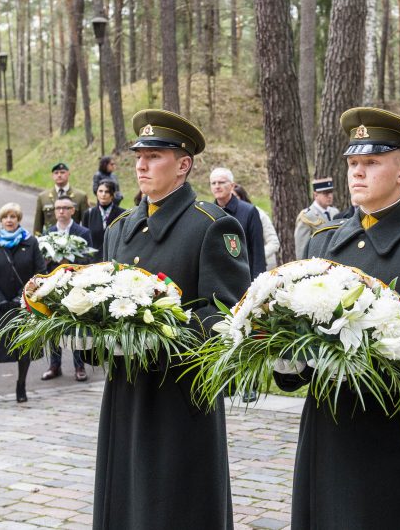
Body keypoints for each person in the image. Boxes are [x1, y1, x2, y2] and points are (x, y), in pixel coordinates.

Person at [274, 107, 400, 529]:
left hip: (391, 432)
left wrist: (372, 355)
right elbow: (300, 326)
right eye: (352, 163)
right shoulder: (324, 241)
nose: (357, 173)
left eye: (371, 163)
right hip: (326, 429)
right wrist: (287, 357)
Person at [94, 109, 251, 529]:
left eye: (155, 156)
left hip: (180, 398)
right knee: (125, 502)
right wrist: (90, 333)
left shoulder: (213, 226)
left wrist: (156, 335)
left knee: (177, 505)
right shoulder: (120, 228)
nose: (142, 164)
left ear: (183, 165)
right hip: (126, 393)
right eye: (139, 156)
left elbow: (227, 315)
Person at [0, 202, 45, 406]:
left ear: (18, 220)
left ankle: (21, 386)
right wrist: (0, 299)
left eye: (13, 217)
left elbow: (39, 272)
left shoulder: (31, 243)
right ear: (1, 220)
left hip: (22, 305)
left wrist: (20, 297)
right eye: (5, 217)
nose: (9, 220)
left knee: (23, 347)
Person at [40, 197, 93, 382]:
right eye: (58, 208)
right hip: (54, 284)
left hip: (76, 284)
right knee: (54, 324)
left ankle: (79, 366)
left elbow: (89, 259)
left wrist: (70, 262)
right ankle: (55, 365)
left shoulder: (83, 232)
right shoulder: (49, 232)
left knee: (76, 324)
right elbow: (42, 260)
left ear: (72, 210)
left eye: (65, 208)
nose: (61, 211)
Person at [210, 167, 265, 278]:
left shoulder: (249, 211)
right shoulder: (208, 212)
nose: (217, 186)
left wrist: (257, 282)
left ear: (232, 186)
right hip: (217, 278)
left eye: (221, 182)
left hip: (244, 277)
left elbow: (257, 251)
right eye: (213, 183)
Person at [33, 162, 89, 234]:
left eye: (62, 172)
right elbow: (38, 223)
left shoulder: (80, 196)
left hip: (74, 240)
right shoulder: (43, 197)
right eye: (56, 173)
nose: (59, 175)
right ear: (52, 175)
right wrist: (37, 240)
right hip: (49, 240)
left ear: (68, 174)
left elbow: (86, 223)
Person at [234, 184, 280, 270]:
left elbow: (274, 242)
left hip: (264, 266)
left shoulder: (259, 214)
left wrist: (254, 257)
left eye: (235, 196)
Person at [294, 178, 339, 259]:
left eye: (331, 192)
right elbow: (301, 248)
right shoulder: (307, 216)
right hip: (316, 263)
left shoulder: (335, 212)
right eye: (325, 193)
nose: (329, 196)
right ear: (315, 195)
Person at [82, 180, 126, 262]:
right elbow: (84, 240)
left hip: (115, 261)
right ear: (97, 193)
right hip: (93, 262)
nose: (103, 194)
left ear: (112, 194)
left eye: (107, 191)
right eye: (100, 191)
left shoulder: (123, 214)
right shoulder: (89, 213)